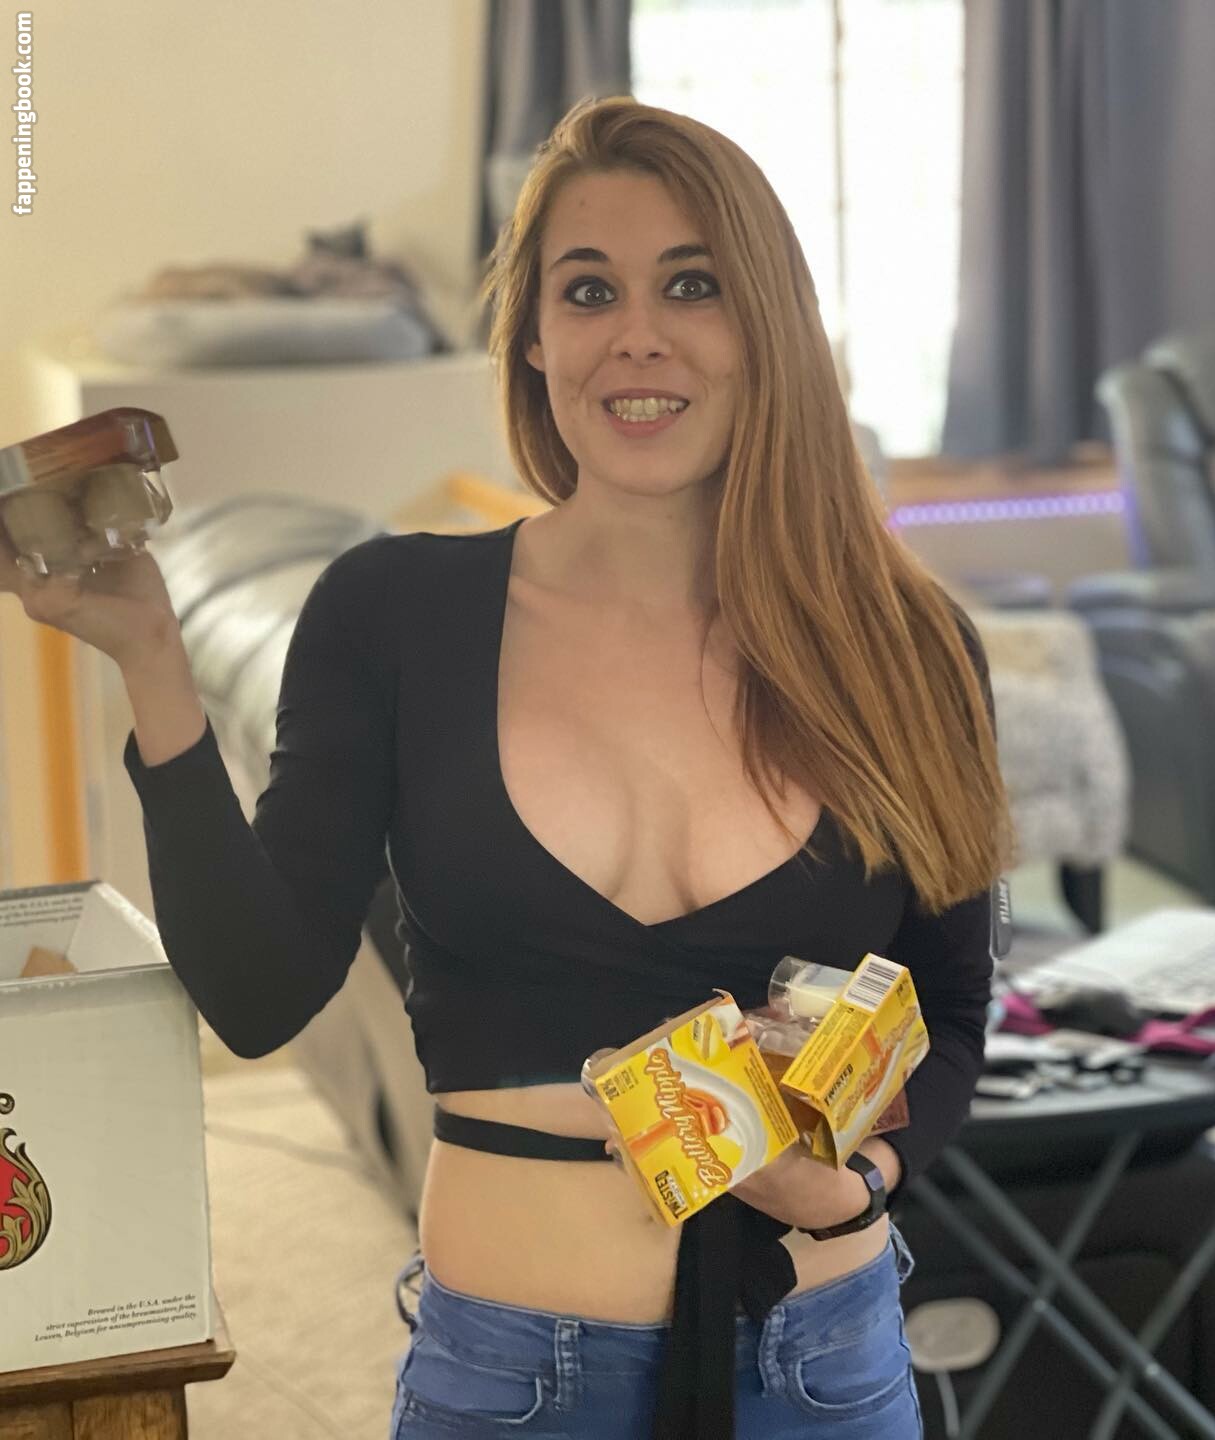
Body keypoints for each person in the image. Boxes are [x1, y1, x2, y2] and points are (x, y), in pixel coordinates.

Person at [1, 96, 1014, 1439]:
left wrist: (861, 1183)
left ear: (767, 323)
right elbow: (256, 994)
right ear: (534, 339)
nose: (637, 334)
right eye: (588, 290)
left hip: (822, 1368)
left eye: (693, 285)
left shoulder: (907, 645)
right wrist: (152, 662)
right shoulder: (395, 614)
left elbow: (952, 1003)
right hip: (513, 1377)